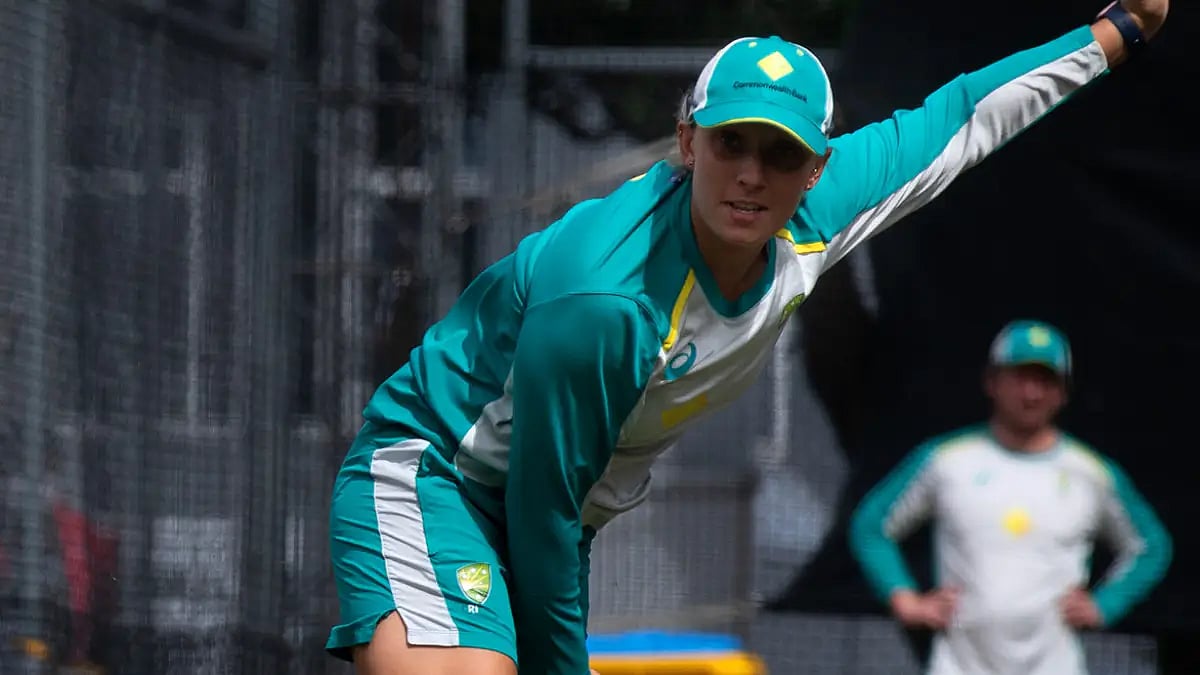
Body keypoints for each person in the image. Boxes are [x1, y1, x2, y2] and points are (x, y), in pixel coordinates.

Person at [326, 2, 1171, 673]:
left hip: (551, 510)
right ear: (687, 142)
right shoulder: (607, 299)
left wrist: (1119, 30)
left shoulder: (820, 212)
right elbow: (540, 508)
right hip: (435, 474)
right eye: (731, 141)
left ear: (817, 168)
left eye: (781, 152)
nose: (752, 174)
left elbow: (962, 117)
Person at [848, 320, 1172, 675]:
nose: (1031, 393)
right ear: (992, 381)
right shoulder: (946, 460)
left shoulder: (1092, 474)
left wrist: (1106, 604)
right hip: (960, 666)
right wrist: (905, 600)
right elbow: (872, 525)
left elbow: (1151, 546)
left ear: (1063, 392)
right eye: (1020, 377)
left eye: (1045, 381)